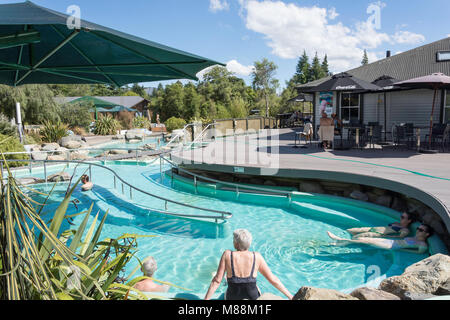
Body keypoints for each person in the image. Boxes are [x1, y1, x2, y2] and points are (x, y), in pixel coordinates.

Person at [204, 229, 293, 300]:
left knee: (226, 280)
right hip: (253, 297)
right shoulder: (256, 256)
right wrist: (290, 296)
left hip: (233, 297)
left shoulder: (227, 254)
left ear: (236, 244)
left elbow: (217, 280)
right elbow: (273, 279)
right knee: (255, 286)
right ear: (249, 243)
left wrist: (206, 299)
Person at [327, 224, 433, 254]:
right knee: (364, 240)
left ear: (427, 234)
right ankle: (343, 243)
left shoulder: (422, 245)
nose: (418, 230)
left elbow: (418, 253)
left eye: (421, 230)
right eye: (418, 228)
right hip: (390, 242)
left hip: (391, 246)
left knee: (366, 240)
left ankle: (340, 239)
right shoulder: (414, 237)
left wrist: (400, 249)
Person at [347, 212, 414, 239]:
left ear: (409, 221)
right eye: (401, 216)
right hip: (372, 229)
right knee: (349, 230)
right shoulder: (396, 223)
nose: (400, 218)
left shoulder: (405, 230)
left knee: (355, 237)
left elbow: (399, 237)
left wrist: (384, 237)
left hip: (377, 234)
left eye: (403, 217)